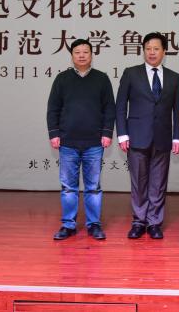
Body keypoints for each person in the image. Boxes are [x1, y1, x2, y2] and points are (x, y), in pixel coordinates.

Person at [115, 32, 179, 240]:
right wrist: (122, 134)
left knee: (158, 183)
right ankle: (139, 221)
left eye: (156, 49)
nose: (152, 52)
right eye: (148, 49)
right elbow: (120, 106)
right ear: (143, 51)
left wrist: (177, 137)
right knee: (138, 182)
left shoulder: (174, 78)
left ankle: (154, 222)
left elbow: (178, 110)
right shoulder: (131, 73)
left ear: (164, 52)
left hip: (163, 137)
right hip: (136, 136)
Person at [47, 38, 116, 241]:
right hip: (67, 142)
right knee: (68, 187)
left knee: (93, 187)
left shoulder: (102, 79)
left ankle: (94, 225)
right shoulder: (62, 79)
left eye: (85, 52)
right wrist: (54, 133)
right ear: (72, 56)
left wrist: (107, 133)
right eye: (77, 52)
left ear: (92, 55)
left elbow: (109, 109)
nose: (82, 55)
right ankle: (68, 225)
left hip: (94, 142)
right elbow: (53, 108)